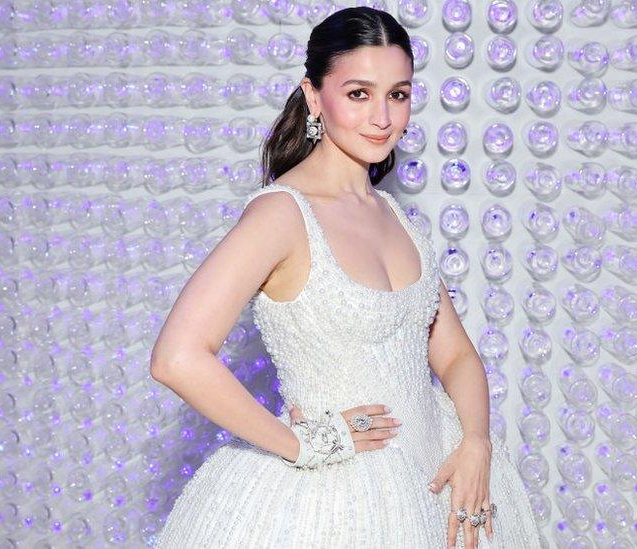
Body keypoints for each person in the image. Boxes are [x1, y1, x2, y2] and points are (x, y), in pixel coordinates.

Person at [149, 6, 541, 548]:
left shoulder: (396, 217)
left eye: (398, 95)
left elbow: (454, 356)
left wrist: (476, 442)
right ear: (313, 96)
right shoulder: (282, 214)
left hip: (435, 482)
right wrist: (303, 444)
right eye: (359, 93)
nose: (383, 117)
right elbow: (178, 357)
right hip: (340, 506)